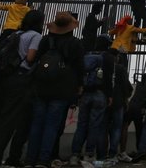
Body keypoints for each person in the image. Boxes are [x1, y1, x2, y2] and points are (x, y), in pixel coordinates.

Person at [25, 11, 84, 168]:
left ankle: (29, 159)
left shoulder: (45, 40)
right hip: (62, 88)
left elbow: (35, 60)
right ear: (71, 27)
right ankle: (43, 160)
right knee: (52, 125)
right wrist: (79, 86)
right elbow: (79, 67)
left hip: (41, 86)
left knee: (37, 123)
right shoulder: (75, 43)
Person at [0, 10, 44, 168]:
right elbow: (29, 58)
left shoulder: (14, 34)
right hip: (20, 79)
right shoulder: (35, 36)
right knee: (7, 121)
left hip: (4, 78)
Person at [69, 34, 115, 165]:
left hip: (85, 93)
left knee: (81, 124)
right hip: (100, 94)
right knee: (94, 125)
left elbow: (79, 74)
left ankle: (74, 155)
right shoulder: (108, 58)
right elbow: (109, 78)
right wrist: (109, 95)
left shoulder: (86, 55)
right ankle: (89, 154)